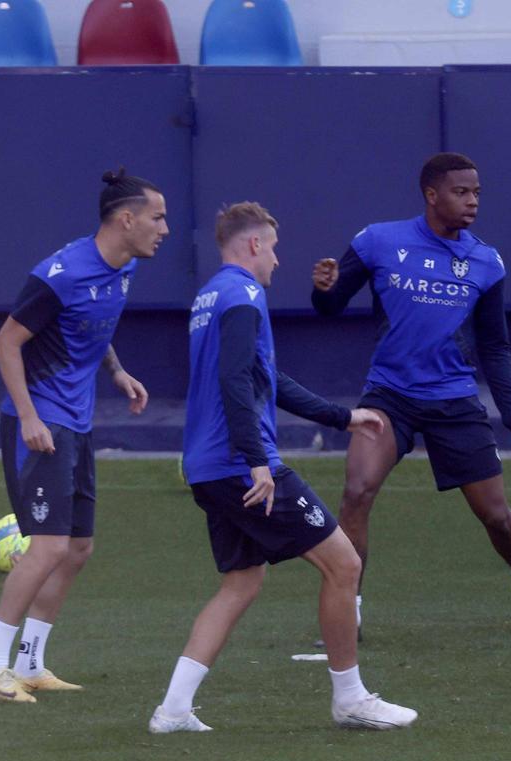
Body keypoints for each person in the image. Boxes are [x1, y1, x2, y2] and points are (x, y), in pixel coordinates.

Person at [148, 202, 416, 733]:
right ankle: (351, 699)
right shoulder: (244, 296)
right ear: (252, 245)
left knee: (241, 584)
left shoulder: (211, 296)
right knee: (344, 565)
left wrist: (343, 418)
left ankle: (173, 710)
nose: (276, 258)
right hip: (240, 465)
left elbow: (265, 377)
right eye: (272, 246)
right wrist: (256, 462)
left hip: (206, 466)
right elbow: (235, 384)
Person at [309, 152, 511, 633]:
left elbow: (494, 345)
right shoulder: (378, 241)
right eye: (461, 192)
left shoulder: (486, 261)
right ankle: (351, 610)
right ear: (432, 194)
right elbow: (330, 305)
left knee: (495, 516)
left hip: (454, 400)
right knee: (356, 492)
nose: (472, 201)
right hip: (388, 396)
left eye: (477, 193)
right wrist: (324, 288)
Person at [0, 169, 166, 703]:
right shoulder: (61, 273)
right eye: (157, 217)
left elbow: (89, 327)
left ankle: (30, 662)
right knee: (49, 545)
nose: (164, 229)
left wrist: (117, 372)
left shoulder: (123, 269)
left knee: (78, 547)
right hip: (39, 422)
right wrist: (30, 417)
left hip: (77, 422)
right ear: (126, 219)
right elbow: (6, 344)